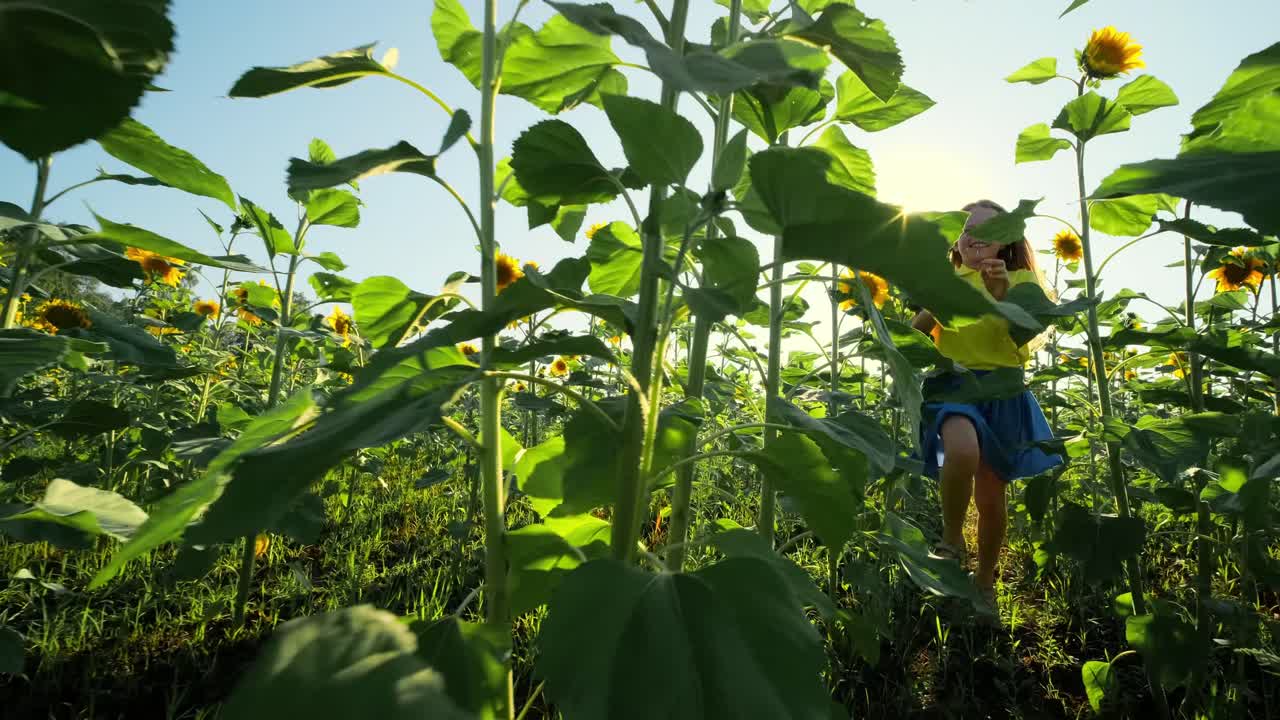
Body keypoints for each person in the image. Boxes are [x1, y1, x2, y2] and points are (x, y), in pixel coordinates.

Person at [910, 199, 1064, 618]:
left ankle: (985, 583)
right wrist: (942, 300)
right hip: (954, 386)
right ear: (955, 242)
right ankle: (952, 537)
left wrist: (1001, 295)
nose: (975, 234)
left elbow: (1023, 336)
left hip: (1003, 390)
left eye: (989, 230)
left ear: (1007, 242)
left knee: (992, 496)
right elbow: (916, 334)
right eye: (966, 228)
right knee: (961, 450)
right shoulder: (942, 278)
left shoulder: (1021, 280)